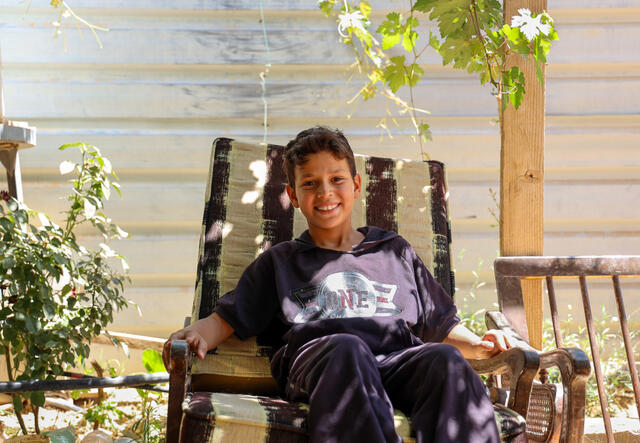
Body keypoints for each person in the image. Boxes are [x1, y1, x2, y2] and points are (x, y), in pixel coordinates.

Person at [163, 126, 513, 443]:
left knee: (446, 359)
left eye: (336, 179)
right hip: (326, 363)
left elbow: (441, 325)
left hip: (397, 361)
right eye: (310, 183)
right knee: (348, 348)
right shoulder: (281, 261)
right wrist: (194, 335)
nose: (325, 192)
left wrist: (480, 346)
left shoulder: (393, 250)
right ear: (294, 195)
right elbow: (226, 319)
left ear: (356, 185)